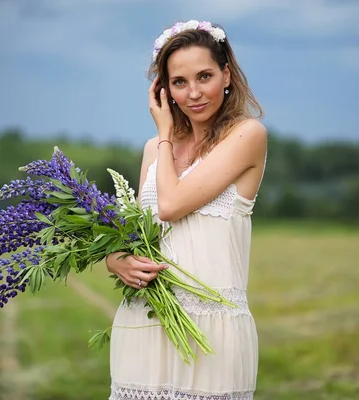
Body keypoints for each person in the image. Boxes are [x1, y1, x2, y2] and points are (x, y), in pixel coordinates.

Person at [104, 19, 267, 399]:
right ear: (163, 89)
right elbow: (128, 234)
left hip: (213, 334)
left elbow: (172, 204)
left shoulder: (247, 135)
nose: (194, 93)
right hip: (144, 320)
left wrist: (163, 134)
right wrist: (117, 261)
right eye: (179, 82)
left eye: (205, 76)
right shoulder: (153, 150)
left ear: (227, 75)